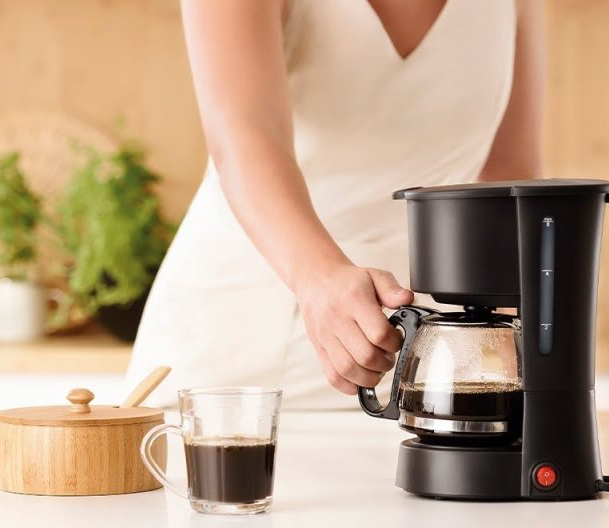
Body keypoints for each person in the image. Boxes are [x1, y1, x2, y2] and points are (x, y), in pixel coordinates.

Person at [125, 0, 544, 408]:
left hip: (432, 362)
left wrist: (521, 344)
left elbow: (508, 178)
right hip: (242, 353)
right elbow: (246, 138)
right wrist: (319, 279)